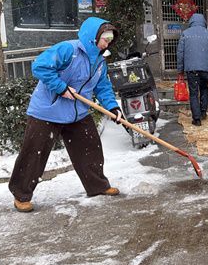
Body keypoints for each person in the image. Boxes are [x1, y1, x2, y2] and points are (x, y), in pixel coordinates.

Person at [9, 17, 124, 212]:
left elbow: (103, 86)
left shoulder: (99, 61)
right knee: (34, 153)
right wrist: (61, 88)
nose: (107, 44)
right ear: (93, 37)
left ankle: (97, 186)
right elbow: (40, 66)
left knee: (90, 148)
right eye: (105, 39)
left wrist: (113, 107)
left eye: (110, 40)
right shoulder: (69, 50)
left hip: (77, 112)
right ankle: (21, 194)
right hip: (47, 111)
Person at [176, 12, 208, 126]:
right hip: (206, 69)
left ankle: (196, 119)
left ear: (191, 22)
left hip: (192, 70)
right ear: (203, 22)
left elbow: (180, 53)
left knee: (193, 93)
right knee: (204, 88)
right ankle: (203, 112)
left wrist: (180, 70)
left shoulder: (185, 34)